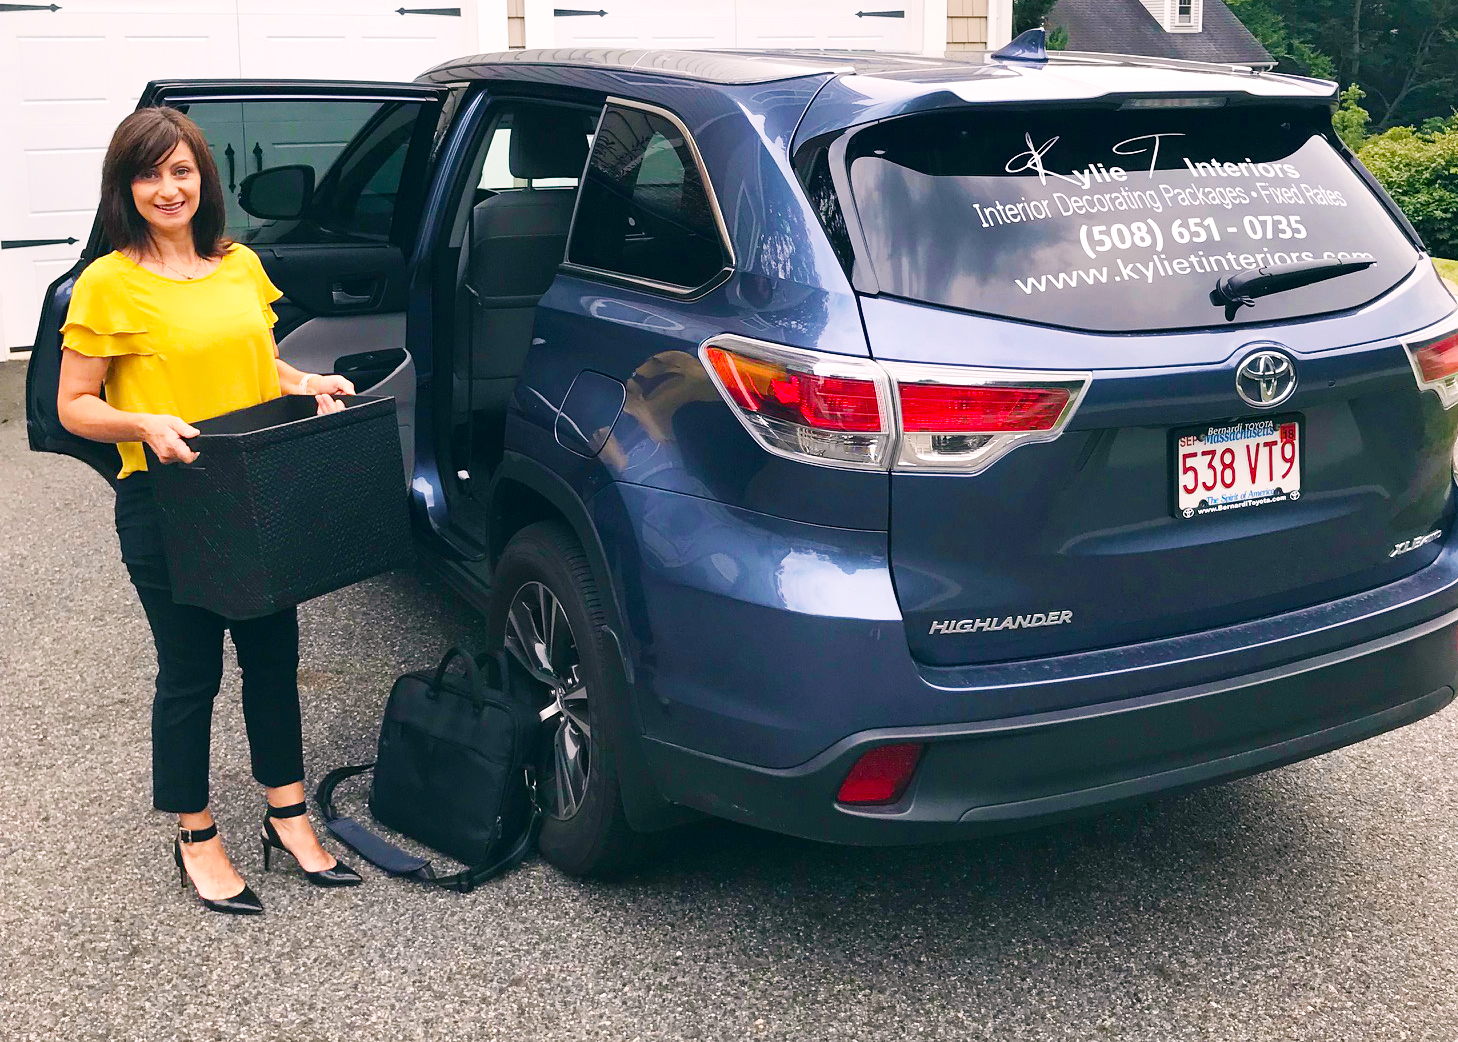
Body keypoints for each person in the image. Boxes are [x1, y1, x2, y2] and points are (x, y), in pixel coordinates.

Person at [56, 107, 364, 915]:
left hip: (254, 488)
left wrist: (309, 383)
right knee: (191, 671)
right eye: (149, 174)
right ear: (124, 188)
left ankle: (287, 816)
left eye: (181, 170)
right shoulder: (107, 282)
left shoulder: (238, 264)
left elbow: (260, 361)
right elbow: (73, 405)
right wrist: (142, 423)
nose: (168, 189)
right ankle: (195, 833)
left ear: (204, 179)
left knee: (273, 657)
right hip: (168, 499)